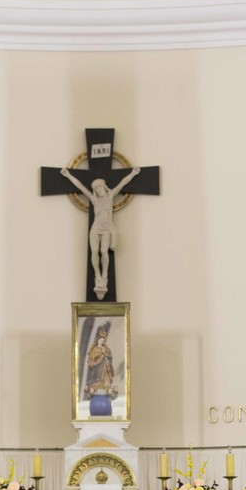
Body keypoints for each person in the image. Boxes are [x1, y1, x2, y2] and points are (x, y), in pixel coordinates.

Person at [60, 166, 140, 298]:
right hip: (96, 228)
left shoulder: (111, 196)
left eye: (100, 187)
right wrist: (68, 175)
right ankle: (97, 274)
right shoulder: (93, 199)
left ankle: (105, 275)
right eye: (96, 188)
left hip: (107, 228)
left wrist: (133, 173)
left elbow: (123, 182)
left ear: (104, 187)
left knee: (104, 252)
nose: (98, 190)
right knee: (94, 251)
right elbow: (80, 186)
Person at [84, 323, 116, 400]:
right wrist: (99, 358)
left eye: (103, 340)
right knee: (97, 381)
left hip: (106, 367)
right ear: (97, 340)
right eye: (100, 340)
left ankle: (106, 389)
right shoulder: (94, 349)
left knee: (106, 381)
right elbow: (91, 360)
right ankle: (94, 390)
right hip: (97, 368)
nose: (102, 341)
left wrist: (106, 356)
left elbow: (110, 357)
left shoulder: (106, 349)